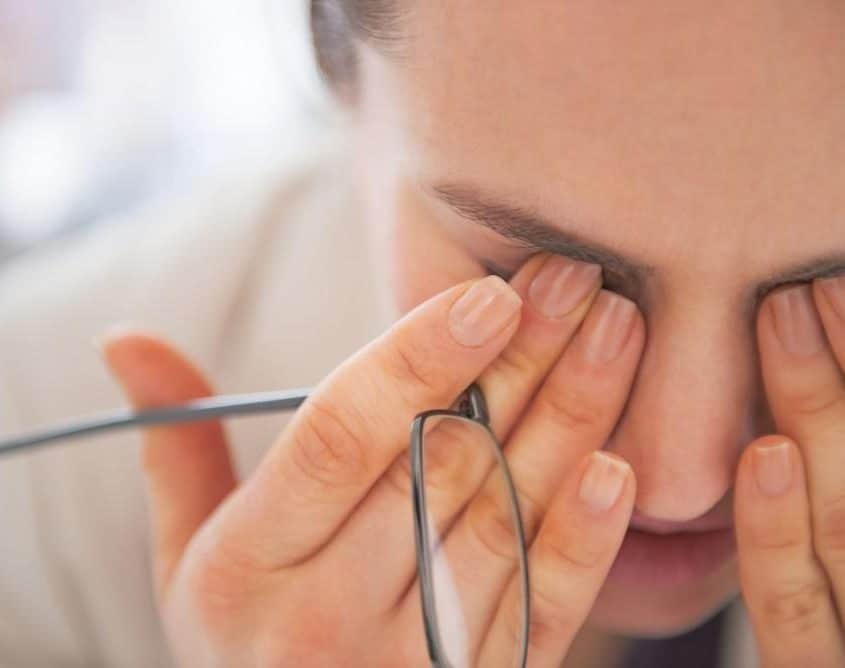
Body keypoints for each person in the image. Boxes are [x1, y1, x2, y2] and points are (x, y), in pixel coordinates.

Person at [0, 1, 843, 666]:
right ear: (341, 81)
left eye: (831, 296)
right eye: (539, 277)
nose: (677, 484)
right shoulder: (30, 474)